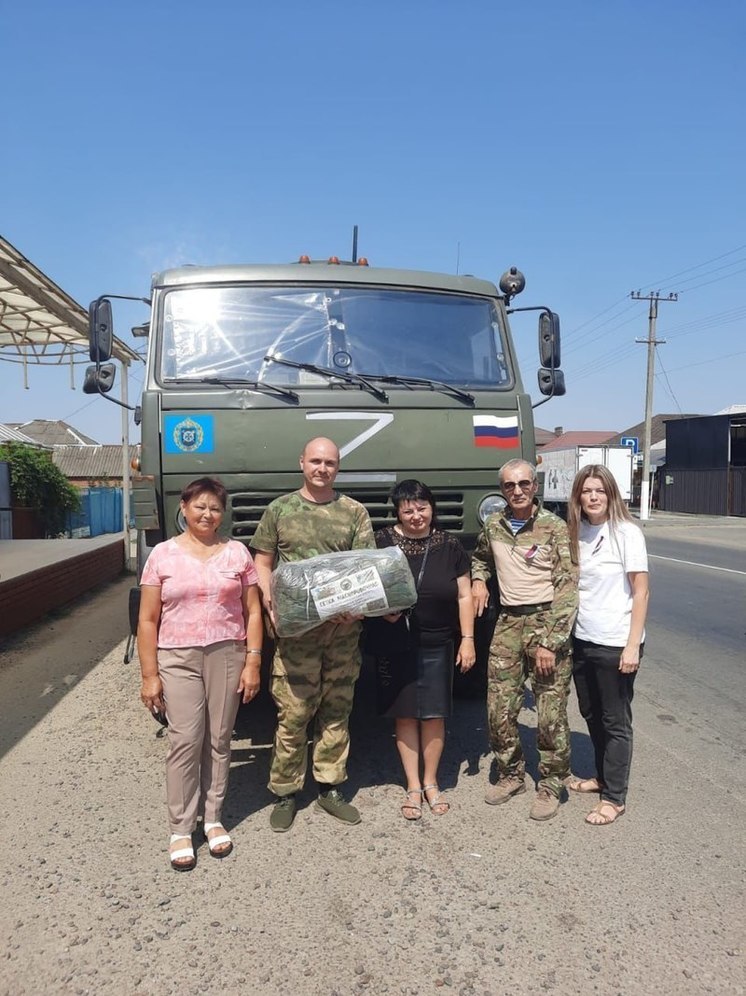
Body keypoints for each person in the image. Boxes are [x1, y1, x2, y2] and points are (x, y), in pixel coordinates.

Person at [138, 477, 264, 870]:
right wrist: (149, 675)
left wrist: (254, 661)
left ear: (222, 514)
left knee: (220, 739)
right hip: (177, 656)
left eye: (215, 508)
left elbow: (254, 611)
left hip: (228, 652)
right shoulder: (162, 554)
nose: (207, 514)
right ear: (184, 507)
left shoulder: (237, 553)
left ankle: (212, 819)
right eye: (200, 506)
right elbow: (147, 619)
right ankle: (180, 827)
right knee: (185, 740)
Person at [251, 437, 374, 833]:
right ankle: (285, 792)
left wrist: (354, 607)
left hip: (342, 632)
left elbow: (364, 567)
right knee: (295, 713)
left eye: (330, 463)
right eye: (316, 461)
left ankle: (330, 787)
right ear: (302, 462)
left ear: (338, 468)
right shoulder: (280, 510)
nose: (322, 468)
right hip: (297, 635)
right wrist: (270, 603)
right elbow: (263, 561)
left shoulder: (354, 512)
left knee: (336, 710)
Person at [471, 459, 578, 821]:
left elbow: (568, 586)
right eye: (509, 486)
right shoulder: (494, 524)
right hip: (508, 623)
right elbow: (481, 559)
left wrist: (551, 640)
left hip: (546, 622)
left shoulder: (554, 527)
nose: (516, 491)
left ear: (535, 487)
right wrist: (477, 581)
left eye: (523, 484)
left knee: (550, 713)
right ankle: (511, 773)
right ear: (502, 489)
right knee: (498, 709)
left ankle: (550, 783)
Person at [365, 480, 476, 820]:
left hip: (437, 640)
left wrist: (468, 639)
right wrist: (379, 608)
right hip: (394, 640)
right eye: (408, 509)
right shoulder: (381, 542)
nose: (416, 515)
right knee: (405, 713)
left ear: (432, 508)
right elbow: (364, 585)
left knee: (434, 713)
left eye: (422, 507)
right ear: (397, 511)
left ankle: (431, 782)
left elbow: (464, 595)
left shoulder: (449, 545)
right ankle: (412, 784)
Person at [566, 465, 649, 826]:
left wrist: (632, 646)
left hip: (616, 642)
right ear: (578, 497)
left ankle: (615, 797)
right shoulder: (577, 531)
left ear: (611, 493)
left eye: (600, 490)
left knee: (615, 721)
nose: (594, 497)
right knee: (590, 713)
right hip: (582, 638)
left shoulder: (627, 533)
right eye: (587, 491)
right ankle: (601, 776)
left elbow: (641, 590)